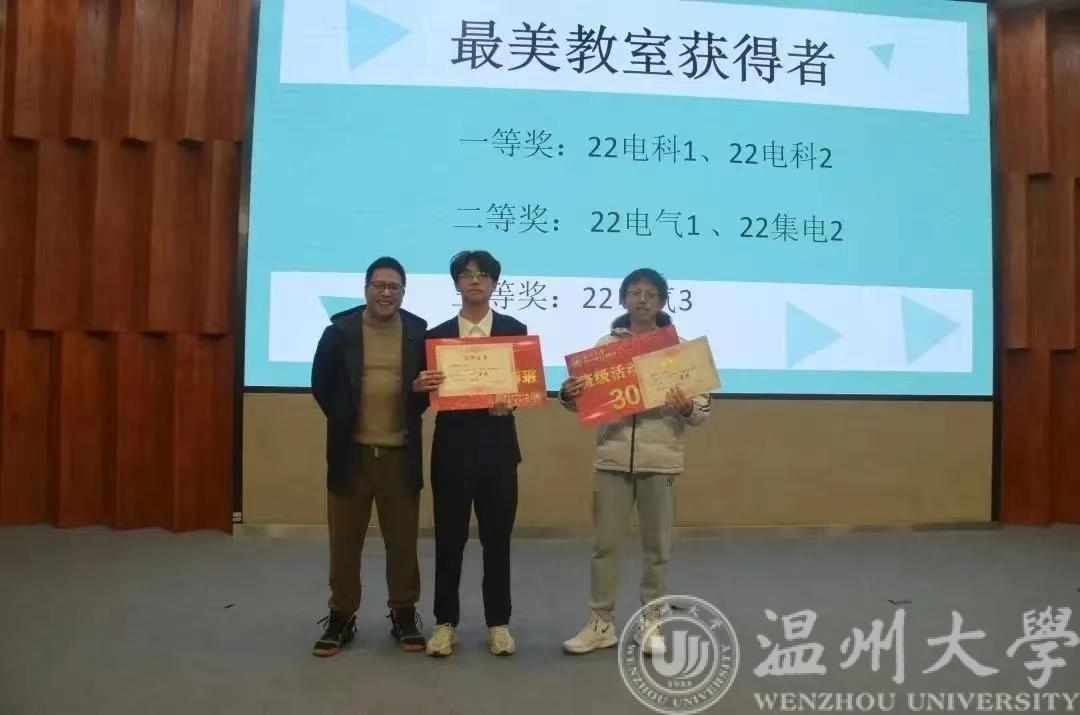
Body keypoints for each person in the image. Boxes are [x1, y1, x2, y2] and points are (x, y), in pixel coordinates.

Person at [559, 268, 711, 656]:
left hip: (660, 459)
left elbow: (702, 411)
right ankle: (600, 624)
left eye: (651, 294)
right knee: (604, 546)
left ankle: (651, 622)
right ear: (623, 299)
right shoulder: (605, 347)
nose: (642, 299)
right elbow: (584, 403)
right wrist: (569, 394)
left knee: (657, 550)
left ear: (663, 302)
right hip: (612, 456)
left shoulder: (681, 350)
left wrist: (686, 407)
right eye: (635, 292)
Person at [309, 256, 440, 657]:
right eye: (379, 285)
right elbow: (321, 386)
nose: (386, 293)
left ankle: (403, 613)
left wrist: (414, 392)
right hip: (351, 455)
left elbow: (427, 391)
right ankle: (341, 615)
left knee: (402, 543)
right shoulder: (339, 332)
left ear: (403, 292)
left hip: (400, 456)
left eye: (394, 287)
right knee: (344, 543)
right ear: (365, 288)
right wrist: (347, 421)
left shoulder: (418, 334)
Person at [423, 250, 527, 657]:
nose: (475, 280)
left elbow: (525, 387)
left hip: (498, 451)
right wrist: (421, 383)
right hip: (451, 451)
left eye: (483, 274)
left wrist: (512, 401)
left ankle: (498, 624)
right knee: (448, 541)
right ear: (456, 284)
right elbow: (425, 393)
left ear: (494, 283)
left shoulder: (514, 329)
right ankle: (444, 623)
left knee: (497, 541)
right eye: (466, 275)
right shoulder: (437, 336)